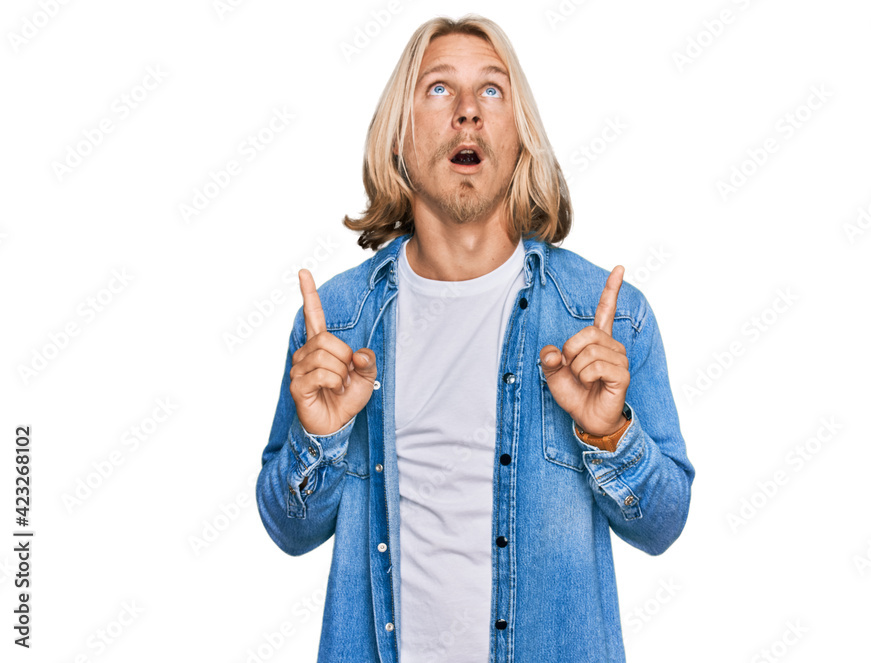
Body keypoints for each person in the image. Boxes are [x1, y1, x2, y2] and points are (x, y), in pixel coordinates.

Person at [255, 14, 694, 663]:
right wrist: (318, 436)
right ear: (399, 135)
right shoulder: (338, 321)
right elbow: (290, 531)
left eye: (492, 90)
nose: (467, 111)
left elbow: (663, 524)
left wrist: (609, 433)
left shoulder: (606, 318)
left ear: (521, 136)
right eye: (438, 89)